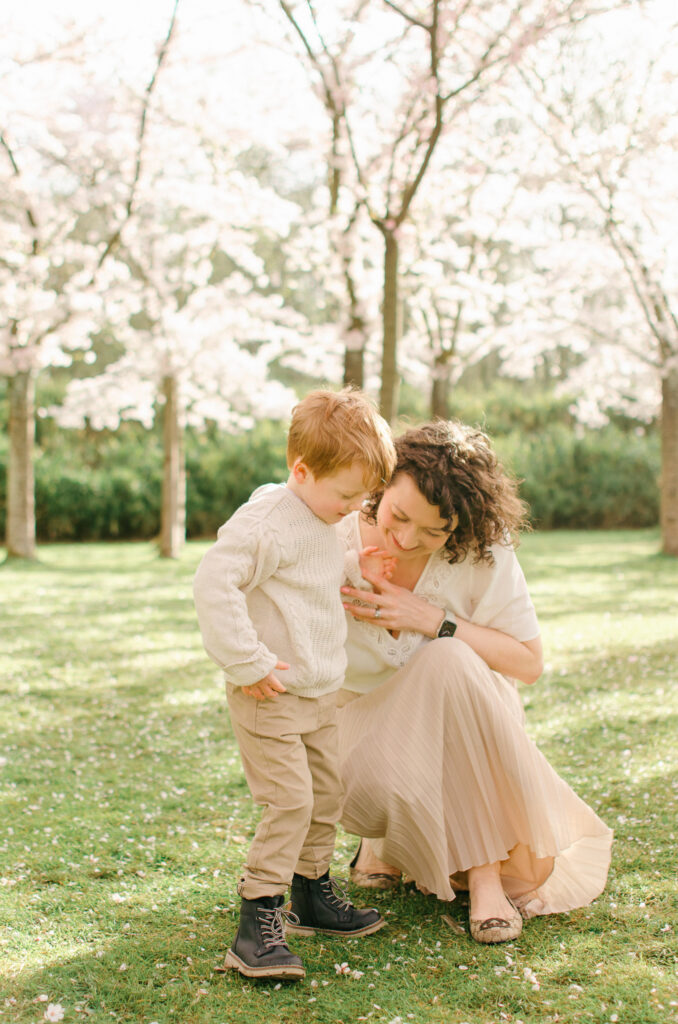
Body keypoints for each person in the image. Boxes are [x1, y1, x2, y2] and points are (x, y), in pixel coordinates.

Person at [336, 420, 613, 944]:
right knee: (445, 664)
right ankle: (390, 840)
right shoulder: (334, 525)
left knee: (450, 659)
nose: (406, 538)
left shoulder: (482, 550)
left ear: (460, 528)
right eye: (398, 515)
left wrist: (432, 617)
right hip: (360, 749)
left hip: (462, 739)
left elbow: (528, 665)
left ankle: (484, 875)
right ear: (381, 482)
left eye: (434, 532)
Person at [192, 389, 396, 980]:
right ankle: (257, 920)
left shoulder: (324, 514)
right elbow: (213, 585)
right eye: (347, 495)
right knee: (290, 801)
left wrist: (362, 569)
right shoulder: (265, 522)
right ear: (301, 471)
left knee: (327, 795)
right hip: (271, 693)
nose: (354, 507)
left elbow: (323, 566)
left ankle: (311, 892)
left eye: (364, 497)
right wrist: (247, 661)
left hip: (320, 691)